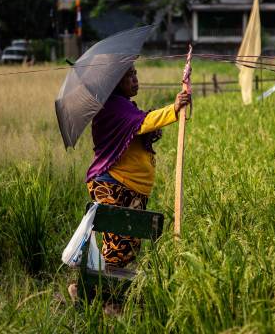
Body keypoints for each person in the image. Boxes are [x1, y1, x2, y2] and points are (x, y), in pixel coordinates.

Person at [68, 61, 190, 303]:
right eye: (129, 76)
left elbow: (140, 125)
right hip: (113, 184)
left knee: (126, 249)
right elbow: (143, 123)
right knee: (118, 247)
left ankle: (97, 295)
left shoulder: (124, 106)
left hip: (130, 188)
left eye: (135, 73)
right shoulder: (112, 107)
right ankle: (98, 296)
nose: (135, 79)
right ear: (115, 83)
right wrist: (174, 109)